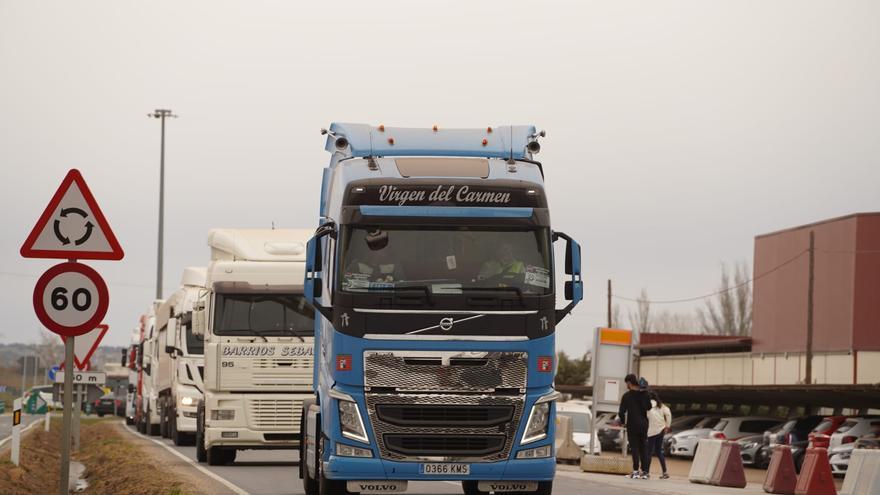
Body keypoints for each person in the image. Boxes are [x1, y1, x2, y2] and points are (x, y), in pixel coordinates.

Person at [618, 373, 652, 479]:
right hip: (644, 424)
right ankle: (645, 472)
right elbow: (649, 407)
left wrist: (623, 422)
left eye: (626, 384)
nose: (626, 386)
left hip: (632, 425)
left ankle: (636, 471)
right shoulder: (645, 394)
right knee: (643, 448)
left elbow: (621, 412)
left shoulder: (627, 396)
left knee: (635, 449)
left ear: (629, 383)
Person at [646, 391, 672, 479]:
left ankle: (646, 472)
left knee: (648, 452)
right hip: (661, 429)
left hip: (652, 431)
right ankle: (665, 472)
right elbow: (668, 414)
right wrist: (667, 426)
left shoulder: (648, 405)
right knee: (658, 451)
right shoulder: (661, 405)